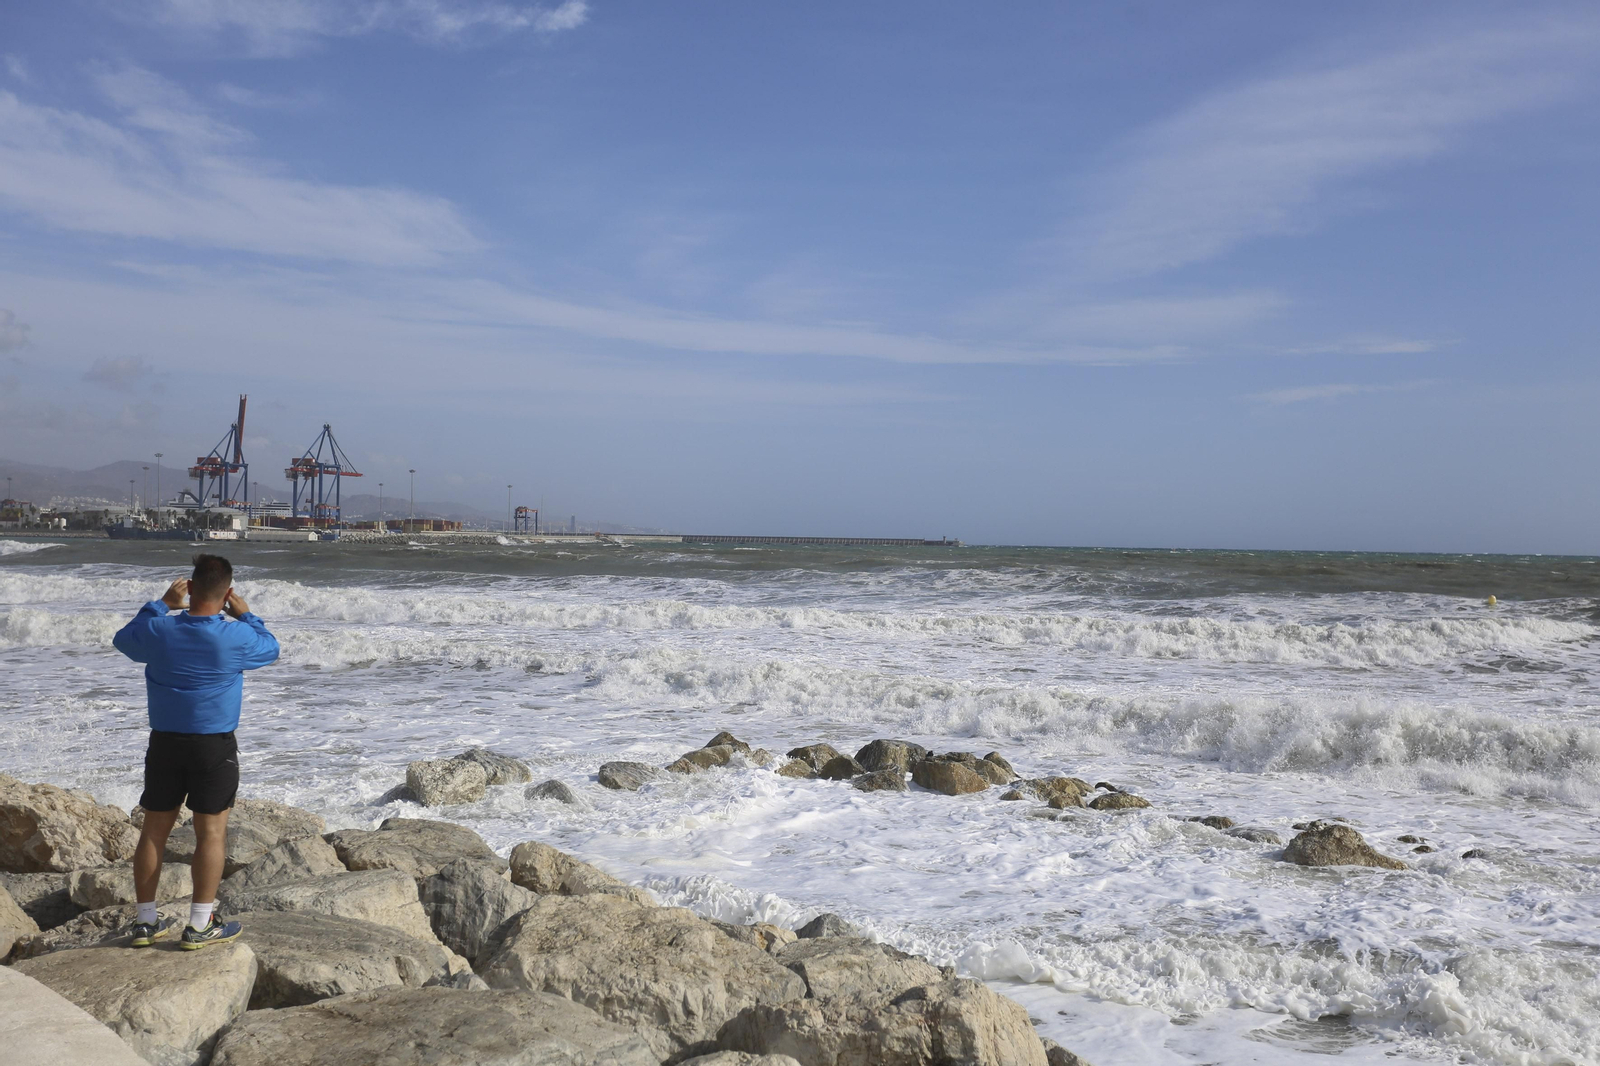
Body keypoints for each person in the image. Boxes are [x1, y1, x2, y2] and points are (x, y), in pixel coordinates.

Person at [112, 553, 279, 949]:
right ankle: (200, 923)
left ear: (188, 588)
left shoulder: (158, 629)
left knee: (154, 831)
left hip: (165, 742)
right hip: (212, 747)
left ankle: (145, 922)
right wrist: (247, 615)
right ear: (227, 594)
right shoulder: (235, 636)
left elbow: (122, 640)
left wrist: (161, 604)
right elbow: (270, 648)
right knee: (210, 834)